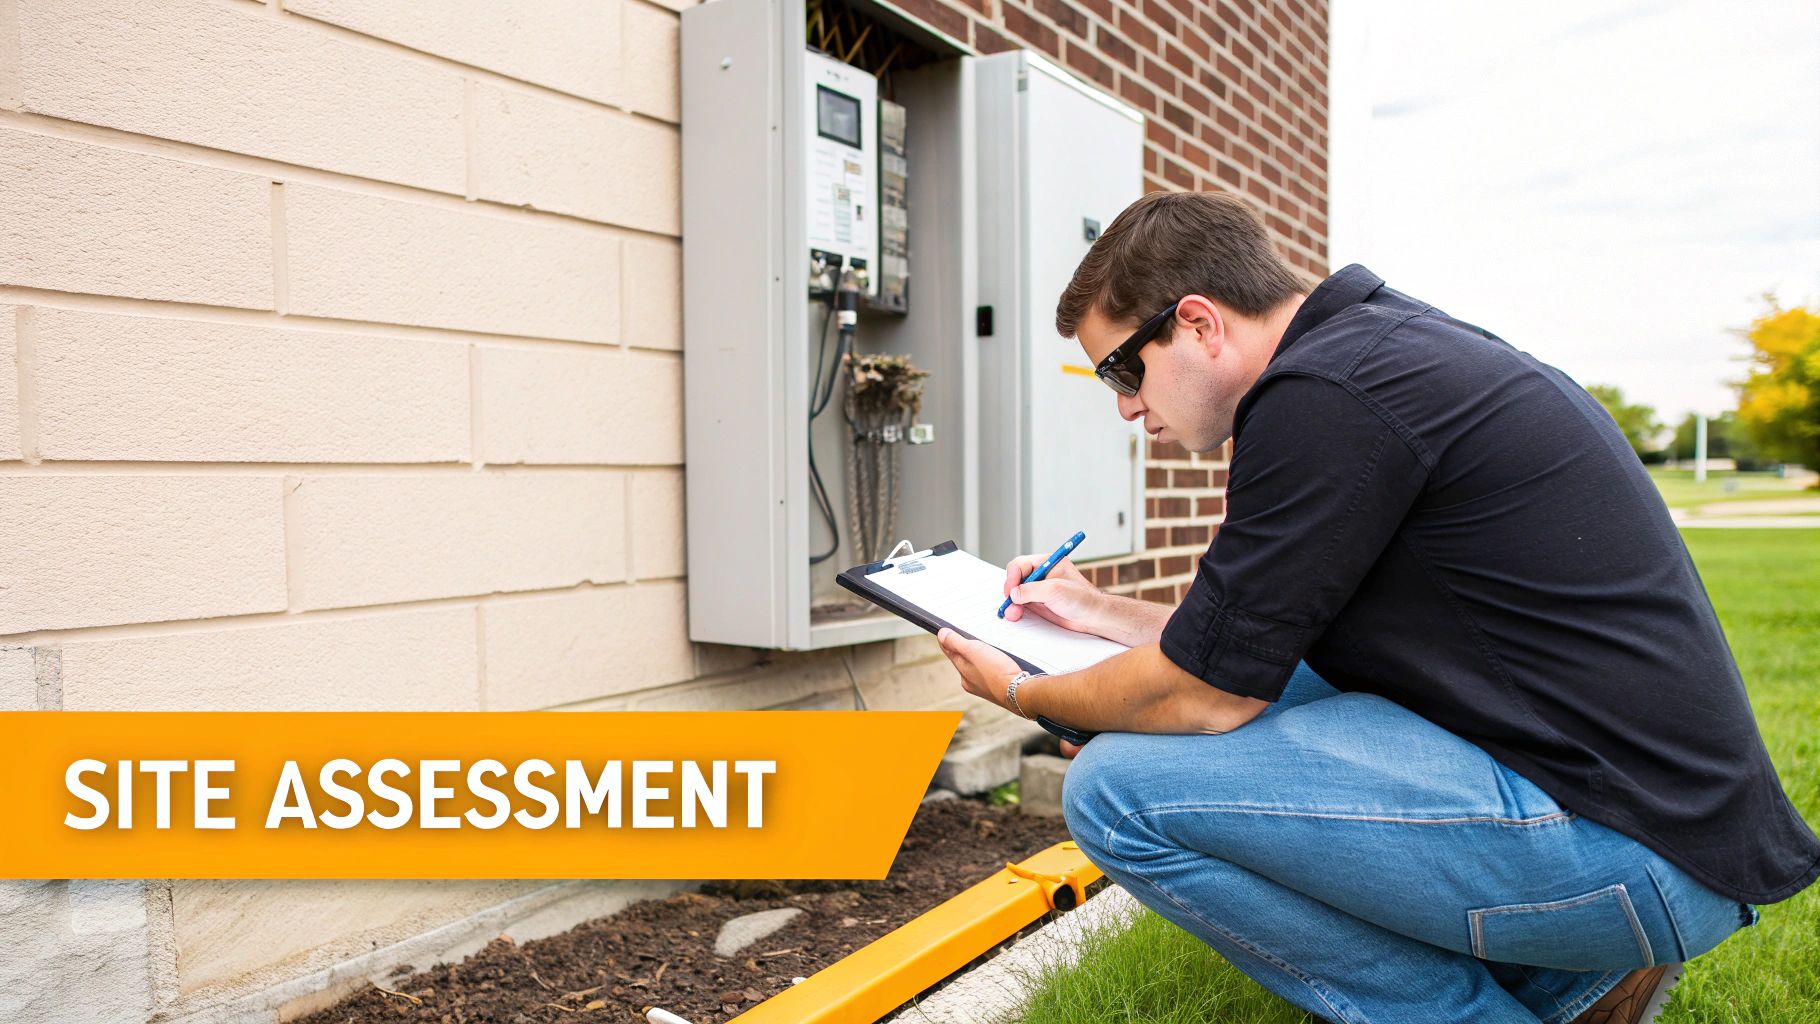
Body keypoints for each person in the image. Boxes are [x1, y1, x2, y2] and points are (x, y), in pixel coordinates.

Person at [934, 191, 1819, 1024]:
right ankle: (1571, 984)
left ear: (1197, 321)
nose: (1127, 405)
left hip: (1627, 849)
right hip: (1660, 828)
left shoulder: (1323, 396)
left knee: (1113, 790)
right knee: (1287, 682)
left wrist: (1022, 693)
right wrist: (1098, 612)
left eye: (1123, 367)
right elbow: (1241, 643)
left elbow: (1204, 695)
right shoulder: (1377, 354)